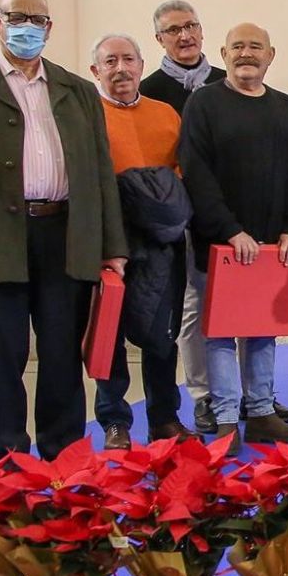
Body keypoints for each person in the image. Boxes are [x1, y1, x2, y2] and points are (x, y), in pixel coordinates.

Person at [0, 0, 127, 461]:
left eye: (38, 19)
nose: (28, 27)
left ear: (49, 29)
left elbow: (102, 173)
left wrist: (112, 245)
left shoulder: (77, 91)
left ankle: (64, 455)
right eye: (17, 17)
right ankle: (9, 462)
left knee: (63, 351)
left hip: (65, 233)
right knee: (0, 353)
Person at [177, 23, 288, 455]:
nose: (246, 54)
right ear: (223, 53)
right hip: (220, 246)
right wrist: (230, 230)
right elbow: (197, 175)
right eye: (238, 47)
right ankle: (228, 419)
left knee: (263, 332)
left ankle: (261, 413)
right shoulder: (204, 104)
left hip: (273, 248)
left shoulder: (285, 109)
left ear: (271, 55)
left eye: (255, 47)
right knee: (218, 334)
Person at [88, 32, 196, 449]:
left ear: (141, 64)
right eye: (110, 61)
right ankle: (115, 421)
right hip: (107, 242)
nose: (121, 69)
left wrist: (155, 202)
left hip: (162, 243)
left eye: (128, 60)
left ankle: (164, 418)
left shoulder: (167, 113)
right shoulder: (88, 116)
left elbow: (181, 173)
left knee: (161, 335)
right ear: (96, 71)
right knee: (108, 335)